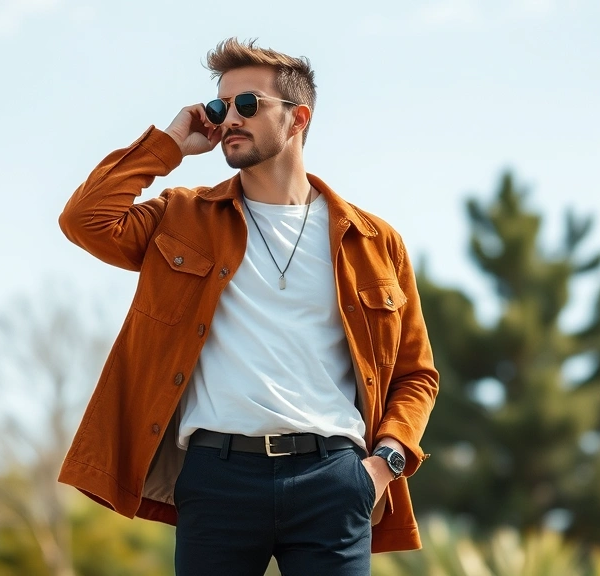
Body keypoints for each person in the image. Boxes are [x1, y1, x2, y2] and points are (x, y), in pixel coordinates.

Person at [57, 37, 440, 575]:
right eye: (219, 105)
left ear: (297, 118)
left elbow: (415, 374)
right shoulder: (182, 216)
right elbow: (86, 220)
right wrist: (166, 145)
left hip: (335, 478)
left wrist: (383, 466)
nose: (227, 119)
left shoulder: (373, 242)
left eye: (247, 104)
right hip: (217, 479)